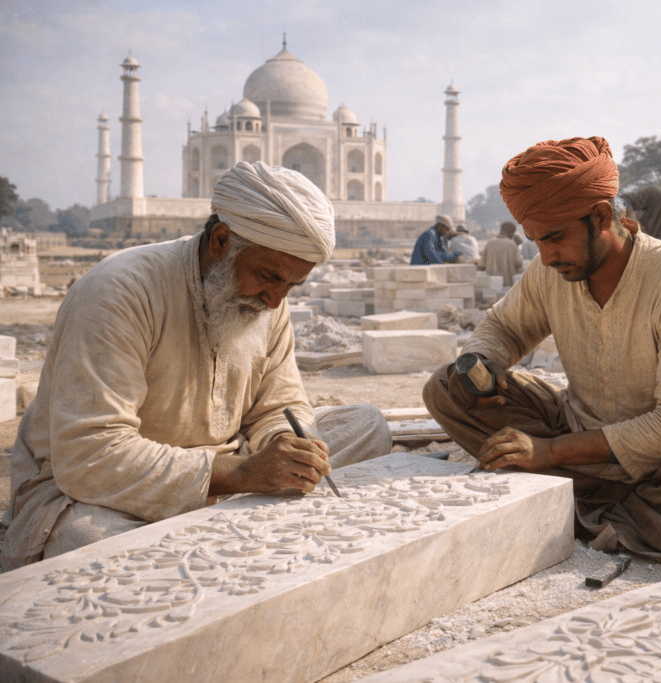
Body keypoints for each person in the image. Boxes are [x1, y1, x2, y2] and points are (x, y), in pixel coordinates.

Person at [1, 161, 392, 570]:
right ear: (221, 240)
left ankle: (218, 526)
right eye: (268, 277)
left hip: (233, 468)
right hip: (106, 489)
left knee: (366, 425)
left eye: (292, 285)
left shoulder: (268, 300)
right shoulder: (120, 292)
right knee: (86, 541)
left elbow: (279, 407)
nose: (276, 300)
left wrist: (287, 450)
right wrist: (242, 473)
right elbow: (90, 455)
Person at [423, 137, 661, 565]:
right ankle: (622, 516)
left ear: (601, 216)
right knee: (447, 387)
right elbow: (503, 326)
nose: (547, 256)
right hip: (585, 432)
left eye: (555, 237)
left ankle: (578, 509)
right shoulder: (550, 269)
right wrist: (482, 361)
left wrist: (550, 453)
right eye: (536, 241)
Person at [480, 221, 524, 287]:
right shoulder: (512, 245)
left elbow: (481, 264)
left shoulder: (490, 243)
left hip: (491, 284)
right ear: (513, 233)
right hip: (508, 284)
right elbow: (518, 263)